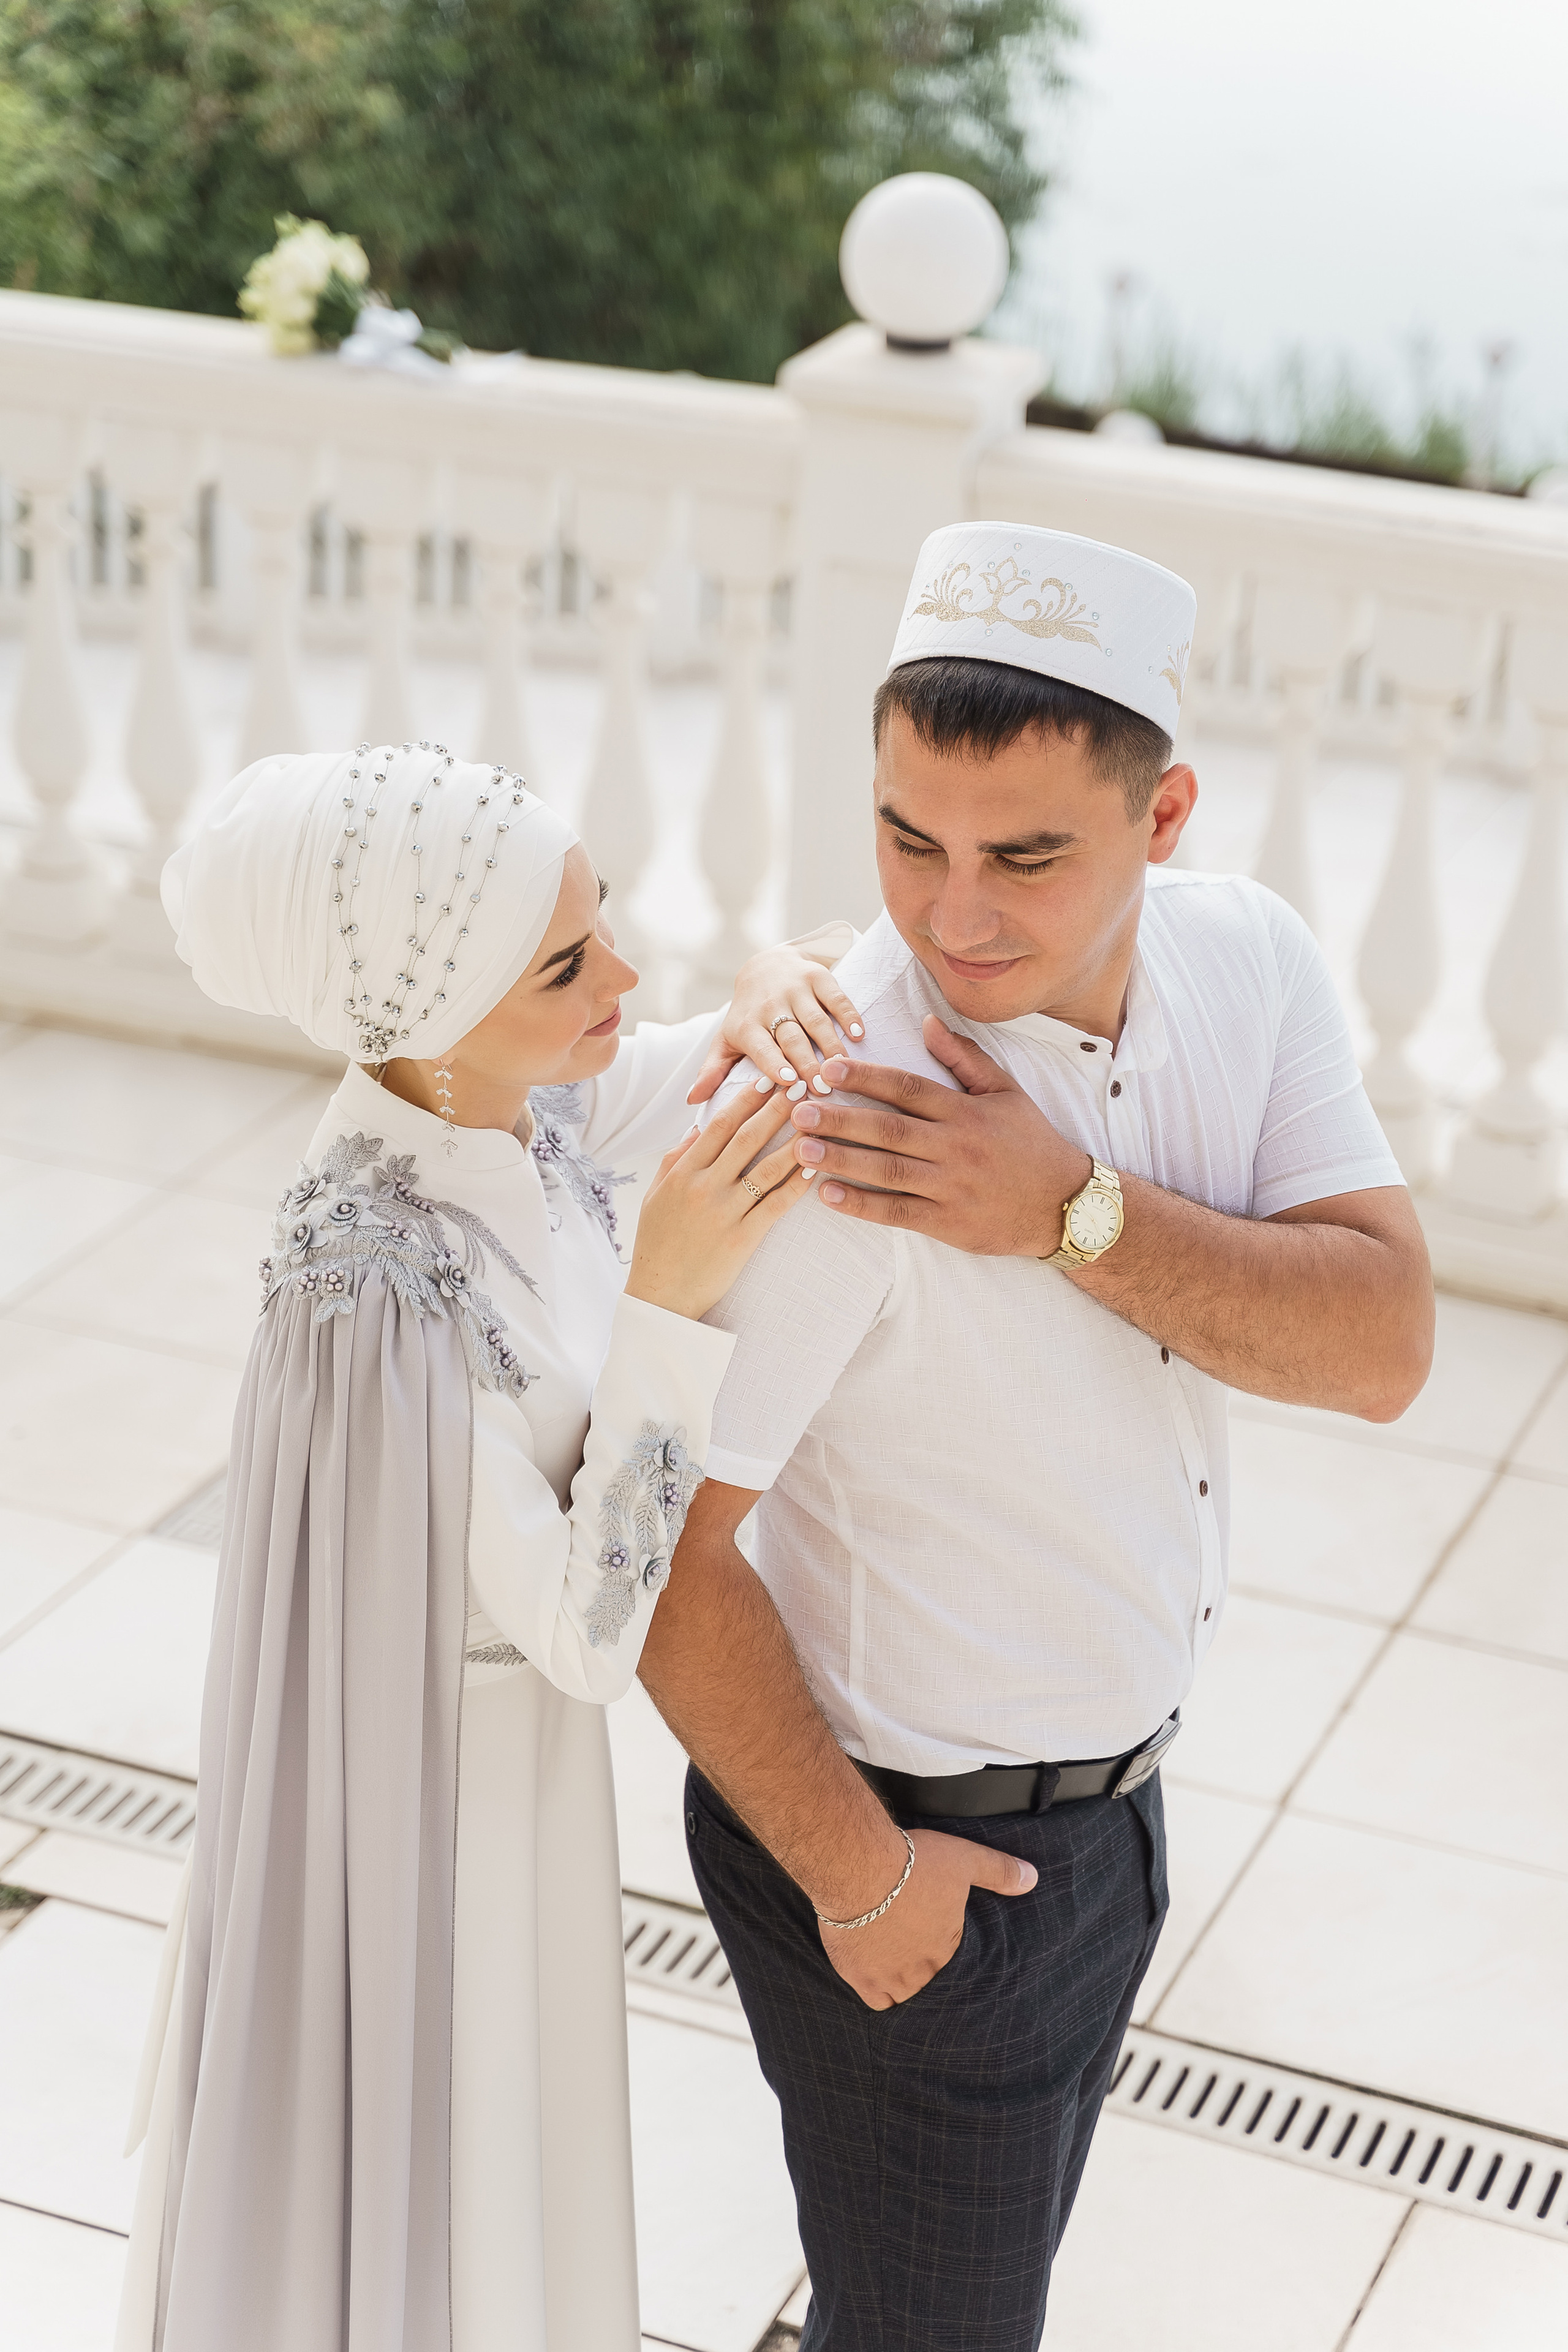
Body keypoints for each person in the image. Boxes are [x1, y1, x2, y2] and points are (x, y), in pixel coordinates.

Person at [637, 523, 1436, 2349]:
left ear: (1165, 828)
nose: (952, 916)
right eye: (906, 841)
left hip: (1111, 1830)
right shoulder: (850, 1125)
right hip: (912, 1852)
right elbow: (667, 1550)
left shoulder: (1252, 961)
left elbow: (1384, 1343)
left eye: (1025, 855)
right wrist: (868, 1882)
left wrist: (1072, 1213)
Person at [115, 739, 864, 2352]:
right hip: (443, 1831)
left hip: (517, 1794)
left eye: (603, 925)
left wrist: (782, 982)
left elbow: (689, 1053)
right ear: (435, 1001)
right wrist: (666, 1306)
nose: (626, 975)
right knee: (455, 2216)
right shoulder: (369, 1289)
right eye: (570, 962)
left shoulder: (519, 1101)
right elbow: (590, 1637)